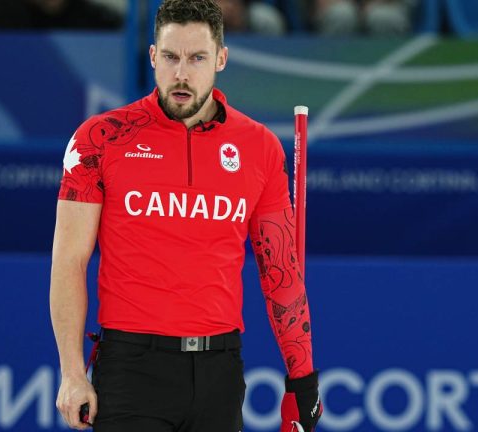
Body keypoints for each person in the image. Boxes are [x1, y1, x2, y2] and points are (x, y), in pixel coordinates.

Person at [49, 0, 322, 431]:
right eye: (171, 57)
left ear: (221, 59)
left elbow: (281, 274)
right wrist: (71, 372)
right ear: (154, 56)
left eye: (197, 58)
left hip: (220, 368)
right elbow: (69, 260)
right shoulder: (101, 139)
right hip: (131, 369)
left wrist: (303, 379)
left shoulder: (260, 147)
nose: (182, 73)